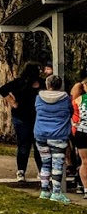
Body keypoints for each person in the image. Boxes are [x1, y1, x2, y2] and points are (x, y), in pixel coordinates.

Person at [0, 62, 43, 183]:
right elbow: (3, 90)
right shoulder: (19, 83)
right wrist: (13, 102)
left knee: (38, 145)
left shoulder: (42, 83)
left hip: (37, 118)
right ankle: (21, 170)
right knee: (24, 145)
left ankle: (41, 171)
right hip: (22, 117)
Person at [33, 74, 73, 204]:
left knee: (45, 162)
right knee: (57, 164)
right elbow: (70, 111)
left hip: (40, 134)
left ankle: (44, 190)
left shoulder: (39, 98)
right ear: (60, 85)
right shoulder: (65, 98)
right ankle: (56, 192)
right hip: (58, 135)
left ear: (47, 84)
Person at [71, 80, 87, 197]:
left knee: (84, 162)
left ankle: (84, 187)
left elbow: (72, 114)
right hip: (81, 131)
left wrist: (74, 124)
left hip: (81, 131)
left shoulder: (77, 100)